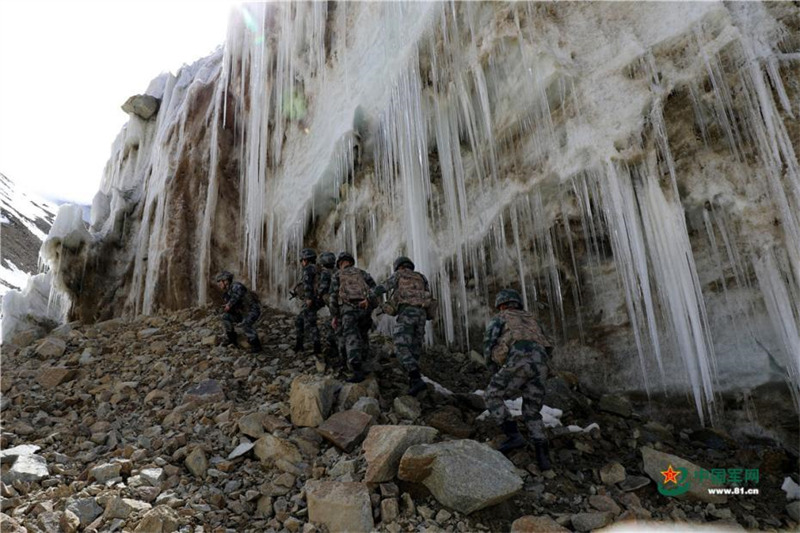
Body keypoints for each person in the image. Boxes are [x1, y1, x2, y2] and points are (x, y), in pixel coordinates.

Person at [483, 288, 554, 470]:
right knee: (532, 410)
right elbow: (547, 344)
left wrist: (492, 369)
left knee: (492, 395)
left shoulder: (502, 317)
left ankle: (513, 435)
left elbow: (489, 342)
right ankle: (542, 456)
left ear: (501, 305)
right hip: (541, 364)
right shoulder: (532, 320)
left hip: (518, 360)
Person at [375, 256, 433, 396]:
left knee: (400, 345)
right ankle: (414, 385)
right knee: (415, 347)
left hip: (407, 312)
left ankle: (415, 378)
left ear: (399, 267)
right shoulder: (421, 277)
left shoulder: (399, 274)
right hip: (421, 314)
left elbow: (383, 287)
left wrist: (367, 294)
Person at [329, 251, 377, 382]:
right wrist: (368, 303)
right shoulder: (362, 273)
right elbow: (374, 289)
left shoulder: (337, 275)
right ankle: (365, 363)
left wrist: (335, 316)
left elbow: (333, 297)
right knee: (363, 335)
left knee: (351, 337)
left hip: (348, 310)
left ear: (340, 263)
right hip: (364, 308)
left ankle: (356, 370)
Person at [215, 271, 262, 353]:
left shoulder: (236, 286)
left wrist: (229, 305)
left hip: (252, 310)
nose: (219, 284)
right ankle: (232, 339)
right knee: (225, 317)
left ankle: (256, 345)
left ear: (226, 281)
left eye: (220, 281)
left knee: (245, 324)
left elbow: (237, 296)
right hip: (242, 312)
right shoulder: (228, 292)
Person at [293, 248, 321, 355]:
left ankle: (315, 347)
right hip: (317, 299)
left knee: (309, 323)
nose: (301, 262)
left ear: (305, 260)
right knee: (301, 320)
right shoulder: (317, 268)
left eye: (302, 260)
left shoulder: (308, 269)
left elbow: (308, 285)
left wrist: (309, 298)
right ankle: (300, 344)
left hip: (311, 300)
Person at [317, 251, 340, 365]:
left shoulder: (326, 273)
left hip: (333, 301)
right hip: (342, 301)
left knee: (333, 323)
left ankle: (334, 348)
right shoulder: (338, 271)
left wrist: (318, 295)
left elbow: (323, 287)